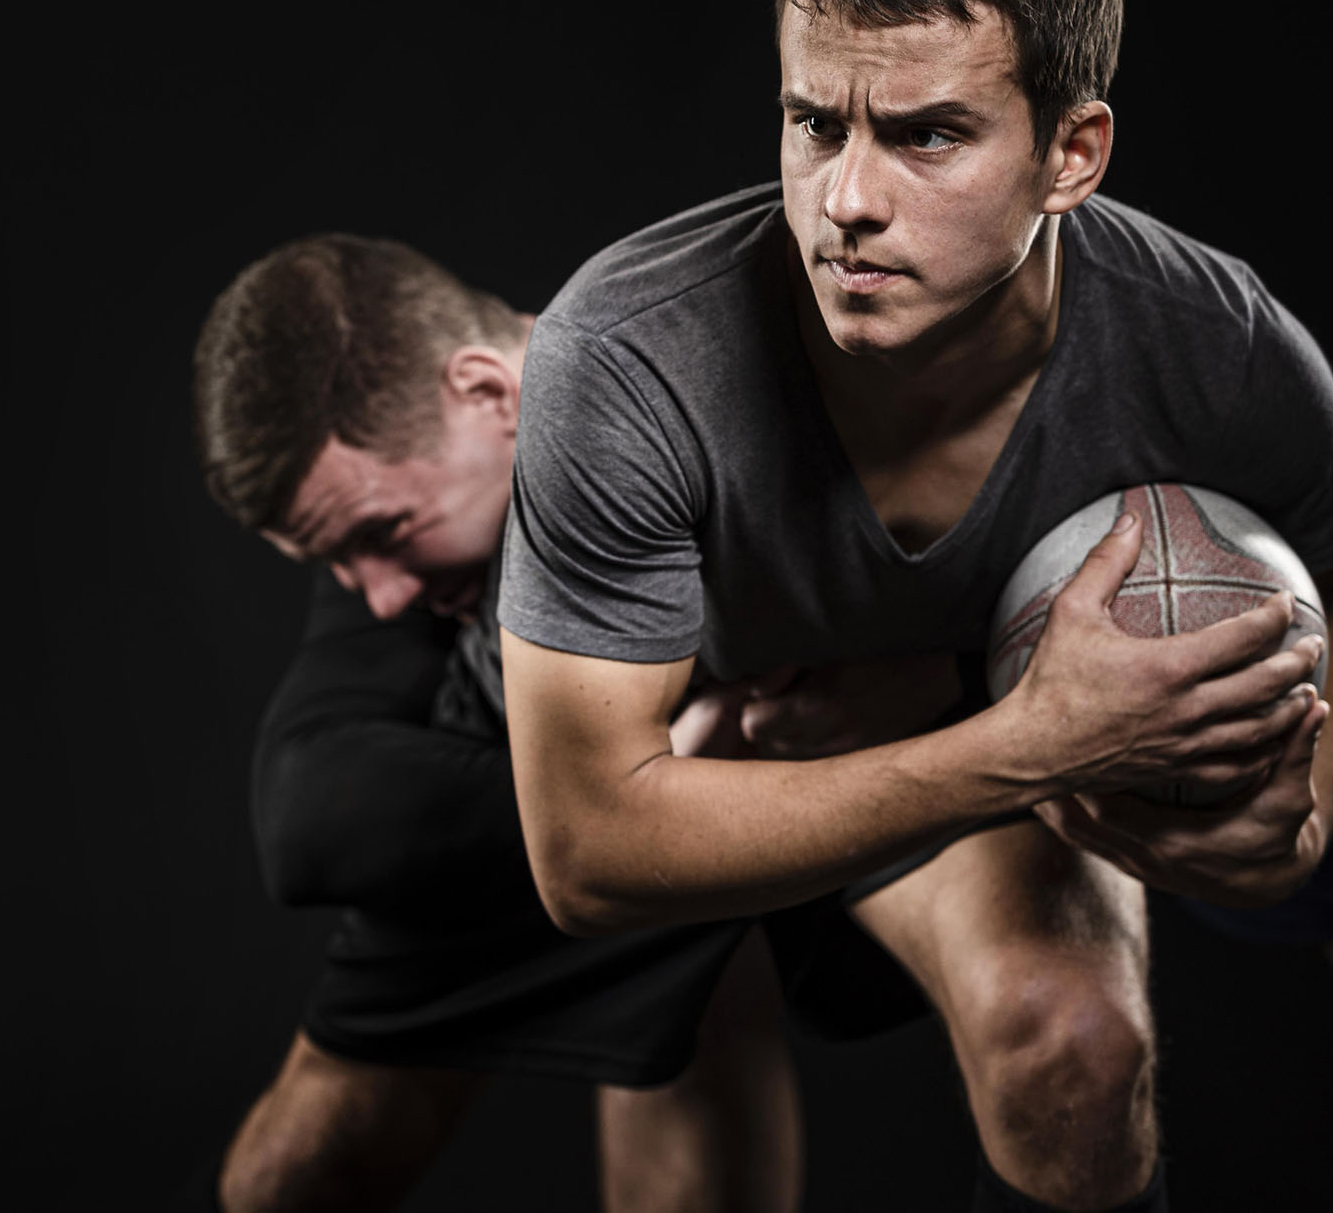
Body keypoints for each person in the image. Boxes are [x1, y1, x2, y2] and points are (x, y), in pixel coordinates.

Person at [497, 0, 1333, 1213]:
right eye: (812, 123)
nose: (846, 197)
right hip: (880, 705)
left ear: (1071, 153)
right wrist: (1030, 745)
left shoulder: (1210, 338)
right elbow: (585, 849)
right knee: (1070, 1052)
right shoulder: (634, 357)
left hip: (1237, 652)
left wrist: (1314, 801)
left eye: (927, 135)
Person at [187, 234, 947, 1212]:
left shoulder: (705, 398)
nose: (377, 598)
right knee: (305, 1158)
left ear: (487, 393)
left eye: (380, 538)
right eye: (335, 562)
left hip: (831, 813)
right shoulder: (408, 525)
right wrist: (642, 775)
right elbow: (313, 811)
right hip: (561, 857)